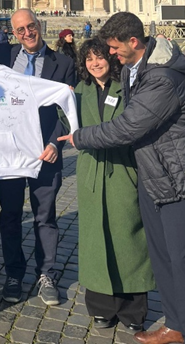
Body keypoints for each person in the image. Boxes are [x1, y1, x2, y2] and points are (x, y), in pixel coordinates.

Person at [59, 12, 185, 344]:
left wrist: (80, 138)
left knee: (182, 260)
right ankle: (175, 326)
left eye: (113, 48)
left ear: (133, 42)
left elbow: (128, 126)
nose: (110, 54)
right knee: (162, 257)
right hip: (154, 175)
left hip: (176, 178)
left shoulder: (161, 78)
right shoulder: (134, 70)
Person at [0, 8, 76, 305]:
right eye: (20, 30)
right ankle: (14, 273)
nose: (27, 33)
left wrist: (55, 144)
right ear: (13, 33)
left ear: (40, 26)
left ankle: (46, 274)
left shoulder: (63, 63)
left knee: (45, 216)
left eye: (31, 27)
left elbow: (68, 110)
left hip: (44, 153)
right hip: (10, 153)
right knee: (10, 215)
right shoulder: (3, 56)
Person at [75, 37, 154, 332]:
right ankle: (101, 307)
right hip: (91, 172)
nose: (95, 64)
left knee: (129, 239)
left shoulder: (130, 88)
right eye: (89, 59)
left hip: (123, 171)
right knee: (95, 241)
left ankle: (133, 310)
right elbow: (63, 120)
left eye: (100, 57)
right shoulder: (79, 91)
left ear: (111, 58)